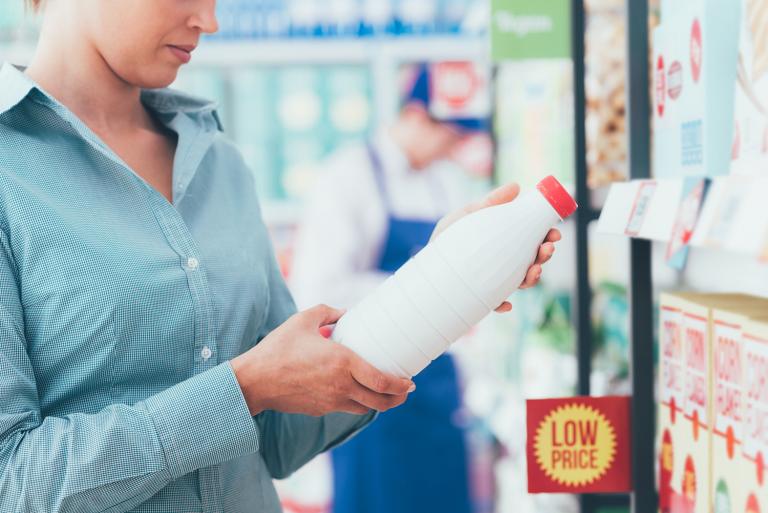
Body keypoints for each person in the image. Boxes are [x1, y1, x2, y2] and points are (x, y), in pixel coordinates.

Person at [0, 2, 558, 512]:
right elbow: (12, 481)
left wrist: (443, 289)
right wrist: (243, 387)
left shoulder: (219, 162)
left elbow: (279, 439)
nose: (209, 21)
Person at [290, 64, 560, 513]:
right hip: (365, 391)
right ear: (415, 116)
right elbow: (318, 290)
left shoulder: (441, 179)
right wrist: (435, 286)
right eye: (449, 133)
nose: (454, 146)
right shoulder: (347, 177)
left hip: (436, 386)